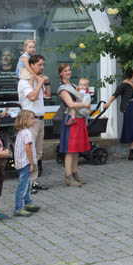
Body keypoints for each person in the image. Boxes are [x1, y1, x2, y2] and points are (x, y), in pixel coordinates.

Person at [17, 54, 50, 193]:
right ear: (31, 66)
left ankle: (33, 181)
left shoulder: (37, 80)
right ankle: (26, 183)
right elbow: (32, 97)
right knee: (28, 152)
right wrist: (40, 83)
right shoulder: (24, 82)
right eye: (39, 65)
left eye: (43, 64)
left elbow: (47, 95)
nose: (42, 67)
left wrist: (46, 83)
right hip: (30, 120)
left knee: (38, 152)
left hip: (40, 119)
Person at [104, 68, 133, 162]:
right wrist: (108, 103)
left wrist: (131, 84)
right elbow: (115, 94)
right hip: (129, 108)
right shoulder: (123, 84)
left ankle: (131, 153)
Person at [56, 63, 91, 187]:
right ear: (61, 73)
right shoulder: (62, 88)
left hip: (79, 118)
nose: (68, 72)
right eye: (65, 70)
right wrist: (85, 106)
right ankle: (68, 176)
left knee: (76, 150)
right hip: (71, 120)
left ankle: (75, 174)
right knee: (70, 150)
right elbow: (70, 104)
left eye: (69, 70)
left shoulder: (75, 86)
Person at [13, 110, 41, 217]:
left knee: (28, 183)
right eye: (32, 118)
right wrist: (32, 163)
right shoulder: (27, 133)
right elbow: (28, 149)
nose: (34, 120)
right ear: (25, 120)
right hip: (25, 163)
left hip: (20, 162)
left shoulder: (21, 132)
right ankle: (18, 207)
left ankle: (28, 202)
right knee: (23, 186)